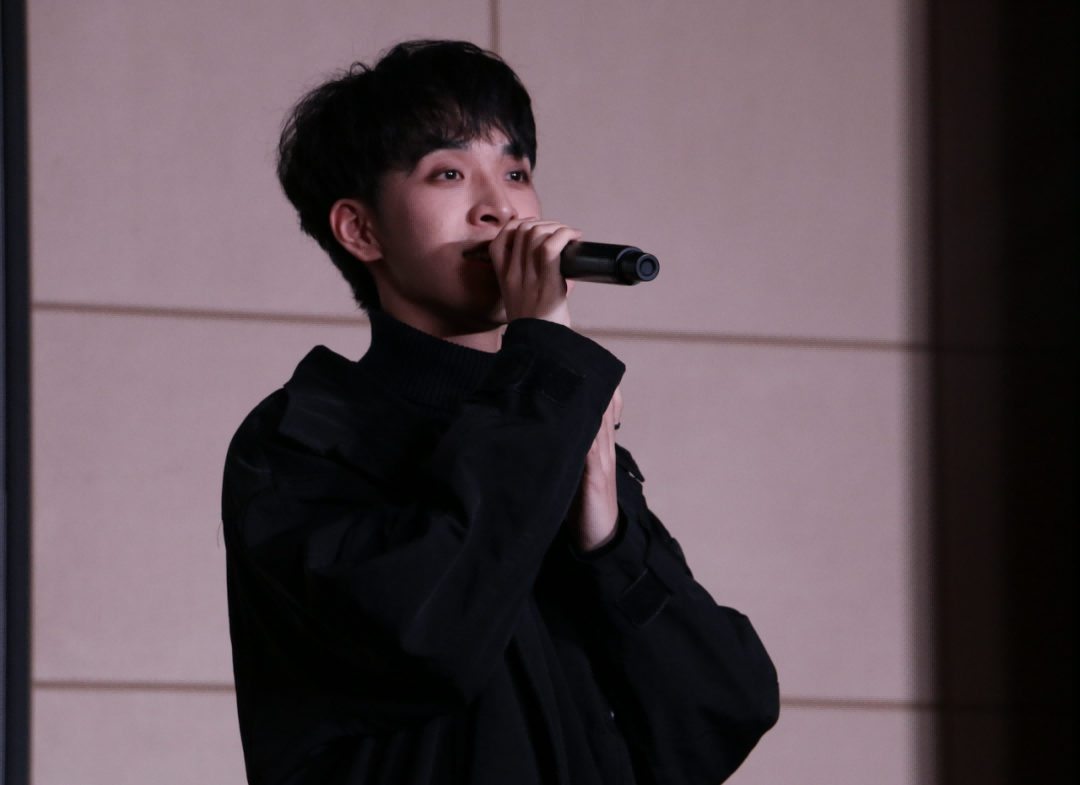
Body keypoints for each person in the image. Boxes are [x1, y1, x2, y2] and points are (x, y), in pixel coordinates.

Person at [222, 39, 779, 785]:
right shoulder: (301, 440)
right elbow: (427, 633)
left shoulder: (558, 429)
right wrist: (544, 363)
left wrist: (609, 540)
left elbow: (722, 711)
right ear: (361, 229)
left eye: (516, 172)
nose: (500, 207)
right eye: (448, 173)